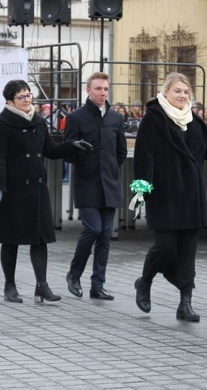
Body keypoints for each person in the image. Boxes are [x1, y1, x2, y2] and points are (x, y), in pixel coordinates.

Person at [133, 72, 207, 322]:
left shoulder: (195, 122)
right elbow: (145, 155)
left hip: (191, 194)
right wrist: (142, 188)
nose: (182, 96)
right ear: (165, 92)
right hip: (164, 193)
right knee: (164, 246)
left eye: (186, 92)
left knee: (188, 250)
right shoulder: (153, 120)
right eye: (177, 91)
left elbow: (206, 151)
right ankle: (145, 281)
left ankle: (185, 302)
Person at [0, 79, 92, 303]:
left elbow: (49, 149)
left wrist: (71, 145)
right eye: (21, 97)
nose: (27, 100)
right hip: (13, 189)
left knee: (39, 239)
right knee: (10, 239)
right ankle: (9, 286)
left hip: (36, 188)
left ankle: (41, 286)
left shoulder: (38, 120)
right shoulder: (3, 123)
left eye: (28, 95)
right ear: (10, 101)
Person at [64, 72, 127, 300]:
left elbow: (120, 152)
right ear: (88, 91)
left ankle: (97, 284)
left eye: (106, 89)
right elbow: (69, 152)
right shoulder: (76, 118)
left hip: (109, 185)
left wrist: (109, 169)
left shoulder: (115, 119)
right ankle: (74, 274)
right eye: (98, 89)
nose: (102, 93)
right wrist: (84, 160)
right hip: (87, 184)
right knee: (93, 229)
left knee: (105, 236)